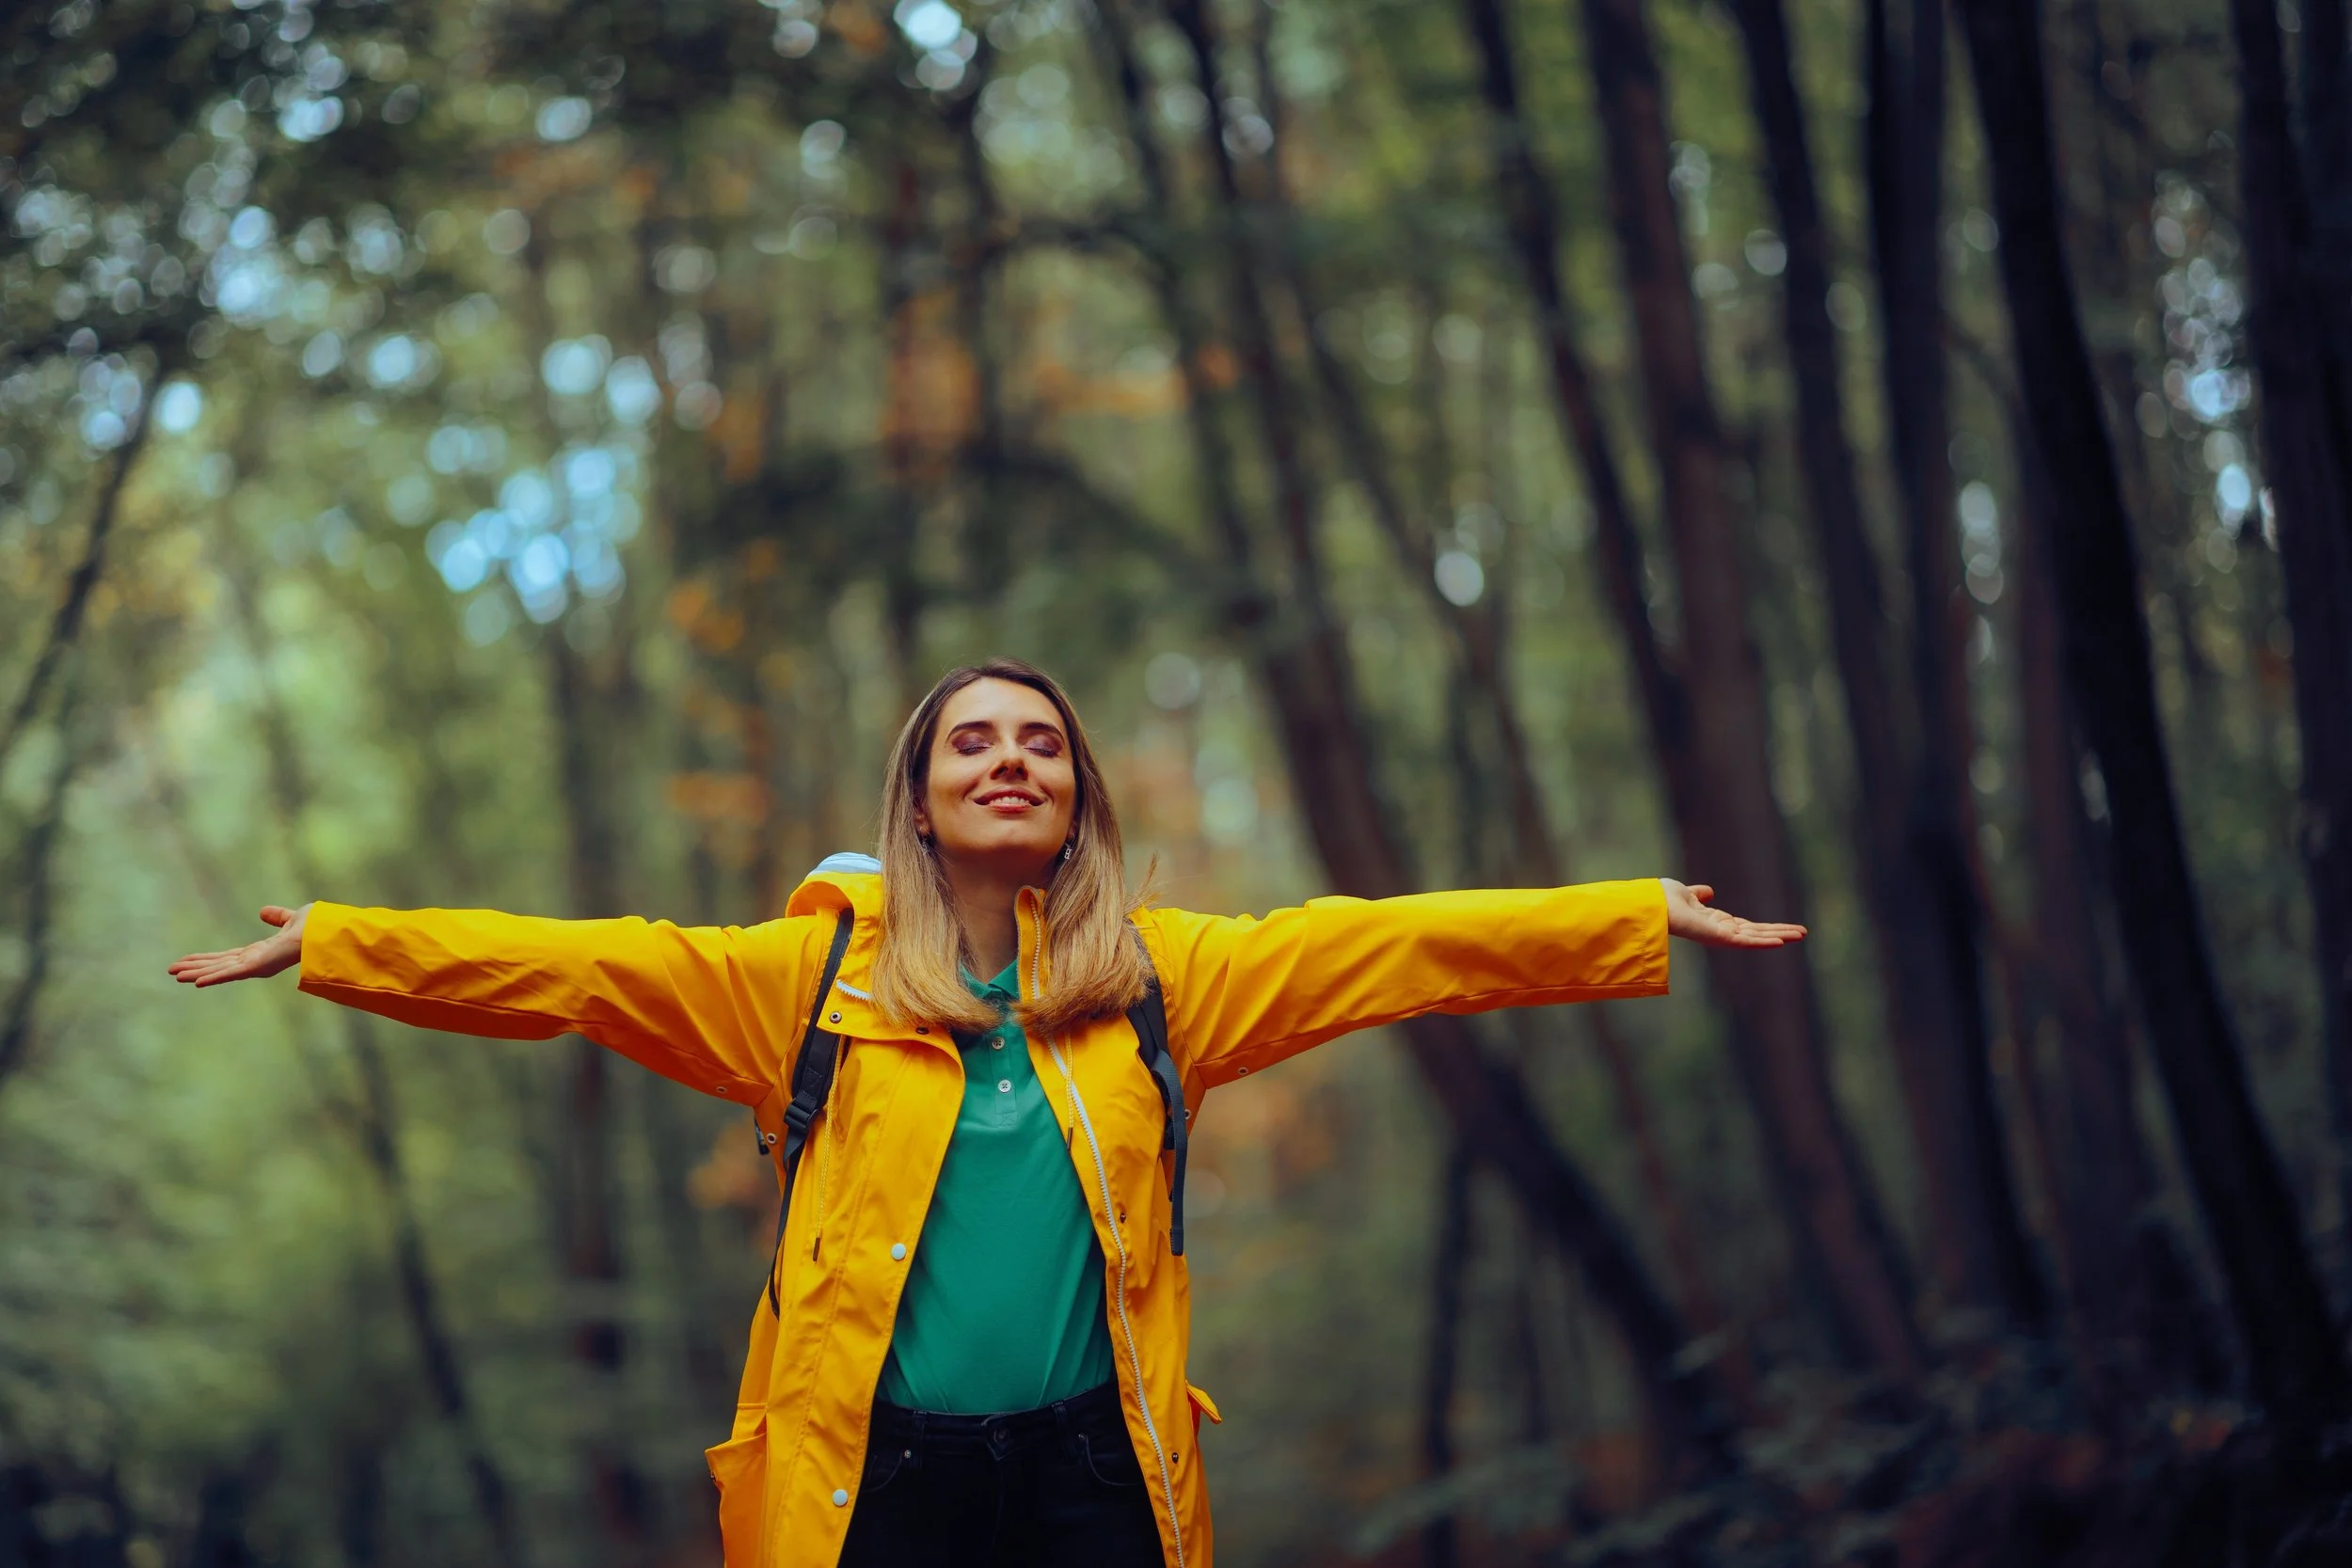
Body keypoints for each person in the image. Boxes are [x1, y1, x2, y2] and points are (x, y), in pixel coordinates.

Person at [169, 656, 1804, 1568]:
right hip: (874, 1485)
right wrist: (341, 940)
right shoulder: (803, 989)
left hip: (1098, 1479)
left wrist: (1634, 911)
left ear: (1079, 790)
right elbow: (585, 969)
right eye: (975, 741)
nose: (1010, 760)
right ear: (923, 793)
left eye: (1041, 742)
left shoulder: (1169, 982)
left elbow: (1397, 946)